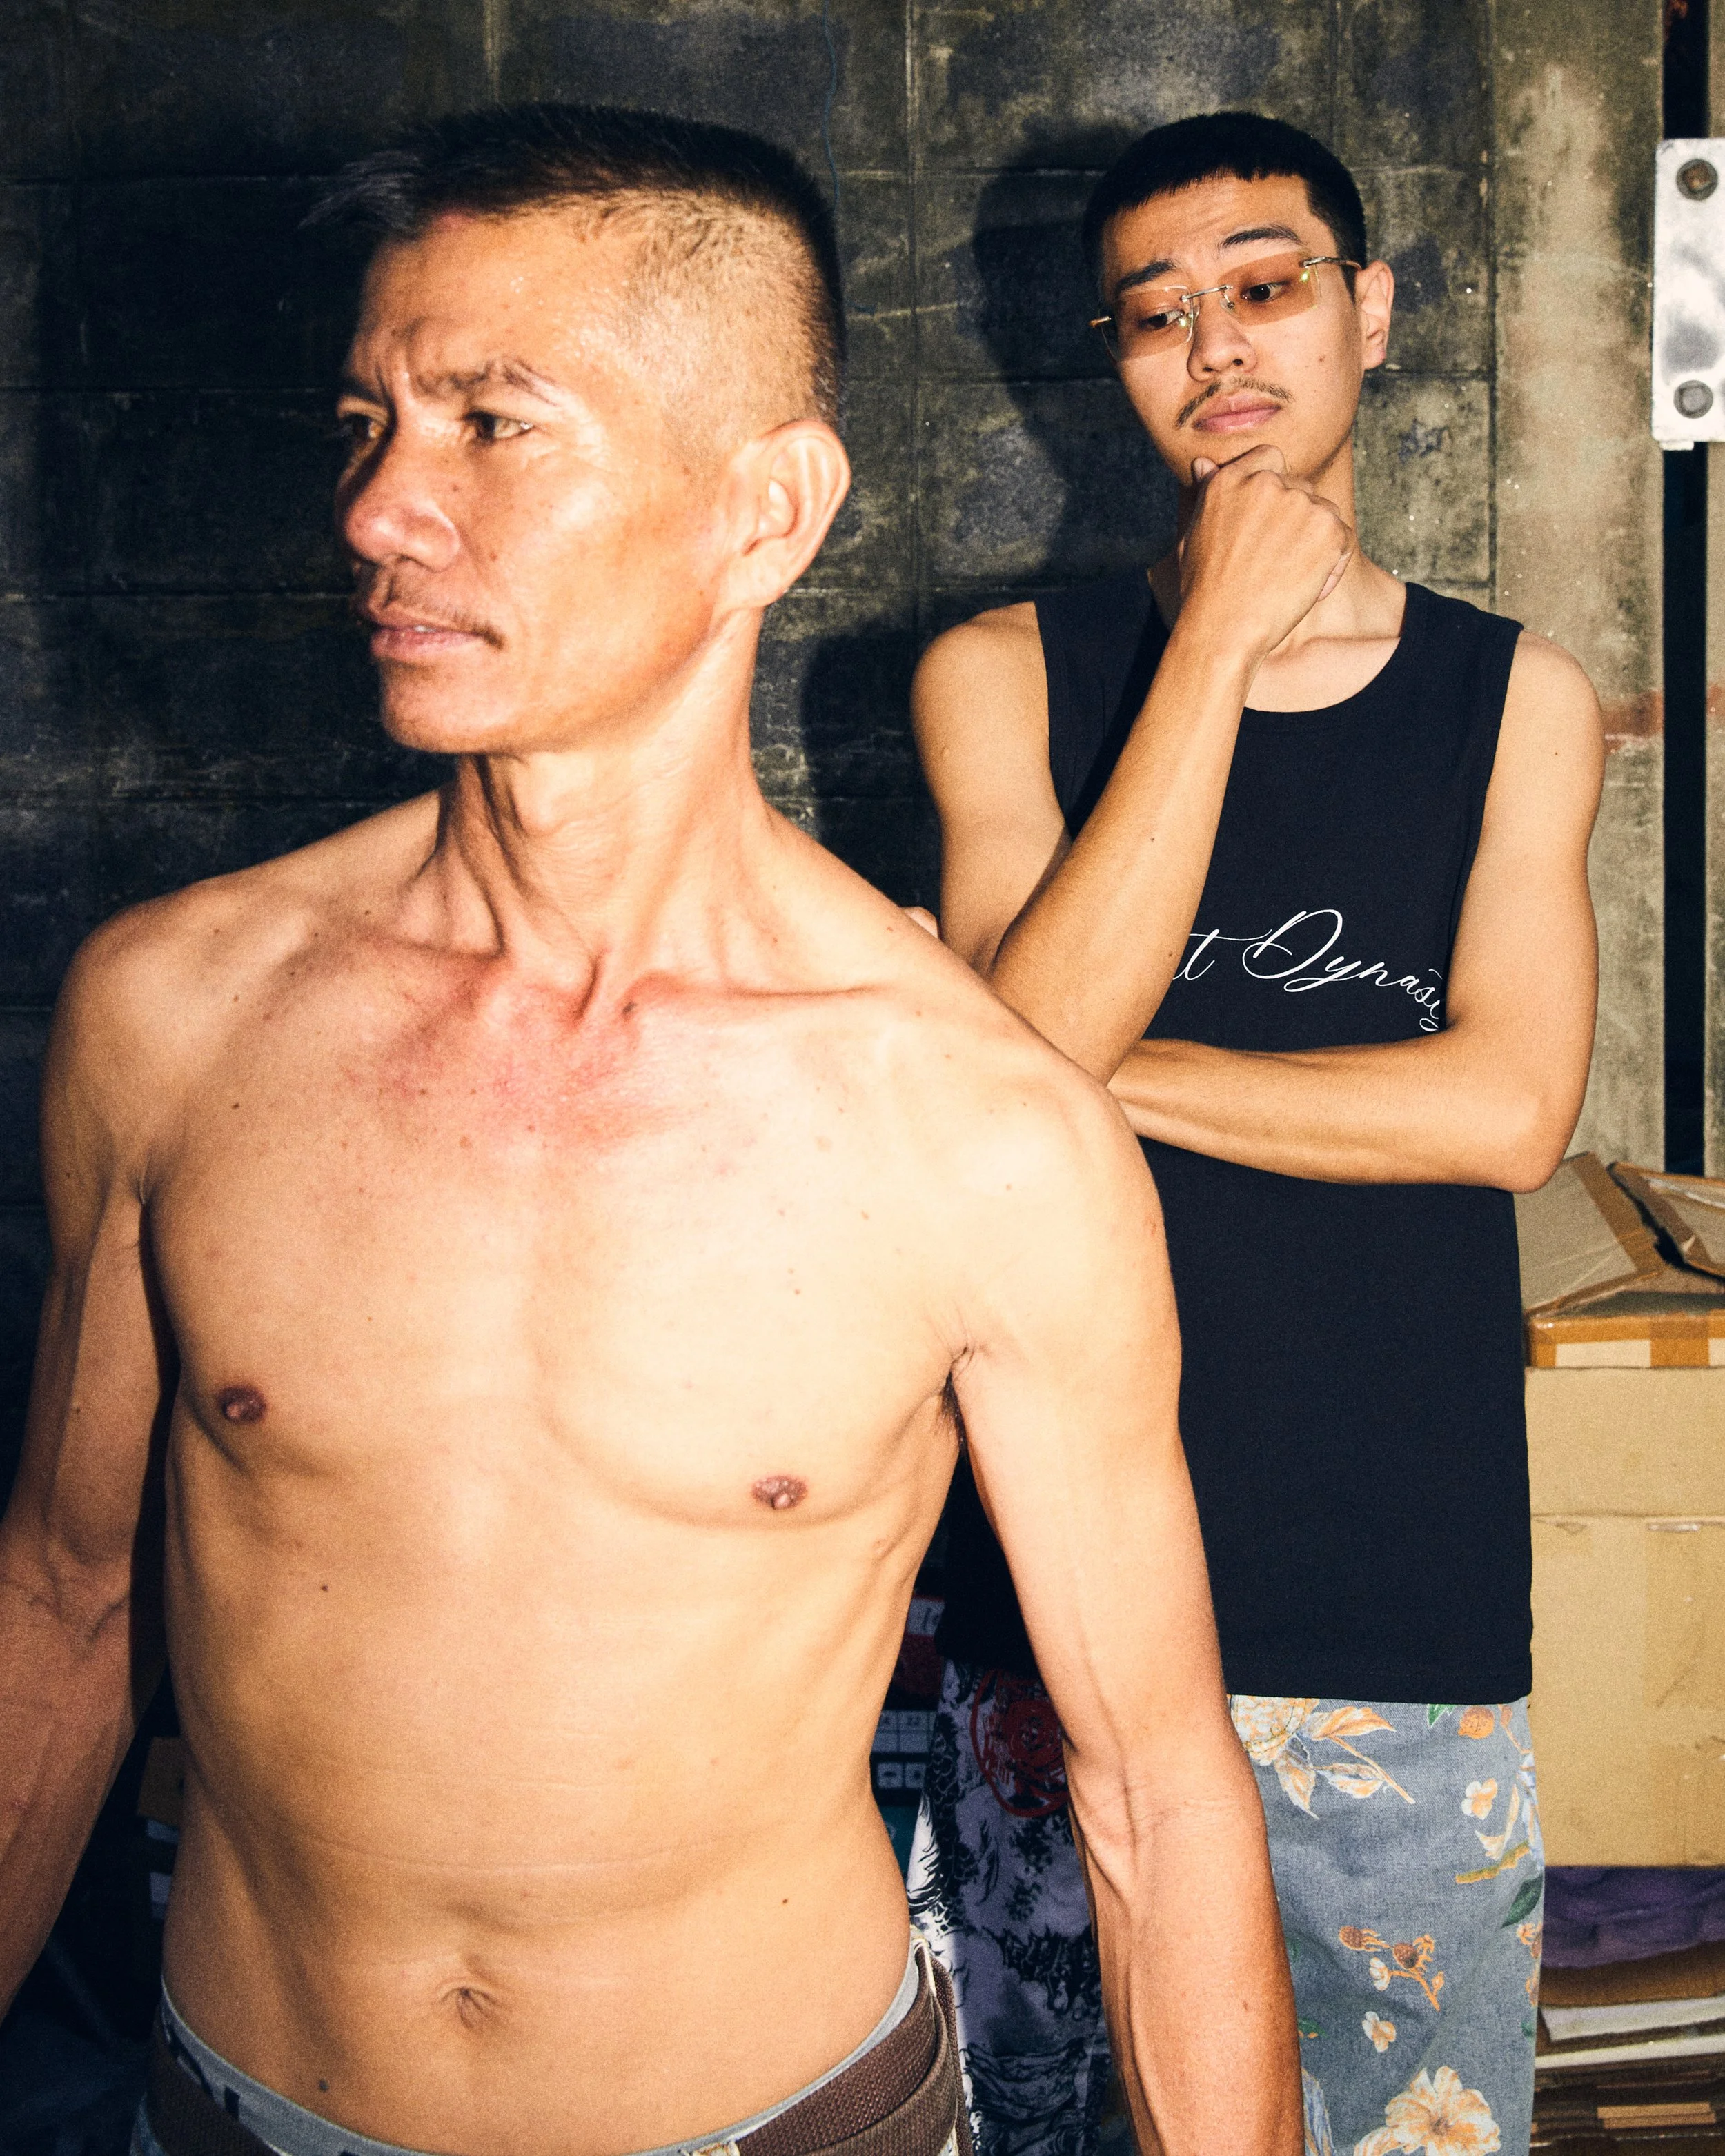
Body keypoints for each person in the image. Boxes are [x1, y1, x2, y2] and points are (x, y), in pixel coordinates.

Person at [0, 105, 1304, 2156]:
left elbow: (1152, 1782)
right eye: (369, 422)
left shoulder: (971, 1129)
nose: (377, 512)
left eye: (493, 427)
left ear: (764, 508)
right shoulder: (175, 1014)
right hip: (236, 2107)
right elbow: (64, 1613)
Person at [908, 110, 1602, 2156]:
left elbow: (1504, 1111)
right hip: (1056, 1597)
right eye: (1154, 313)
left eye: (1265, 284)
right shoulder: (1001, 678)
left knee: (1419, 2126)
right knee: (1056, 2129)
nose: (1212, 347)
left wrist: (1085, 1064)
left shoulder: (1513, 697)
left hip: (1394, 1578)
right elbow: (988, 1102)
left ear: (1369, 312)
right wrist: (1211, 636)